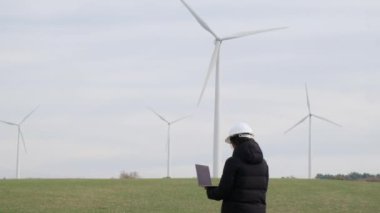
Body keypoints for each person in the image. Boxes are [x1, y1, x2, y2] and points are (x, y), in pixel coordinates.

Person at [205, 122, 269, 213]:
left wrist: (209, 190)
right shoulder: (263, 164)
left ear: (235, 141)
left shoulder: (232, 162)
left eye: (231, 142)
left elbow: (223, 191)